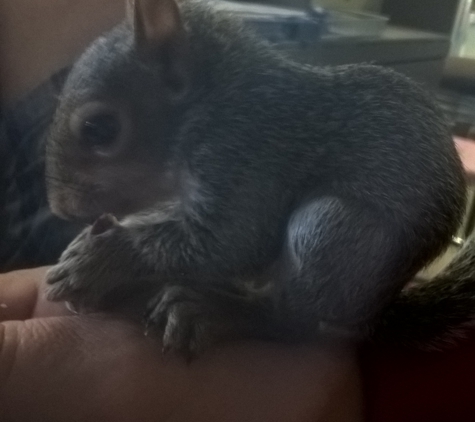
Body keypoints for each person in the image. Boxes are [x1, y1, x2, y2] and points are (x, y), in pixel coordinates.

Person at [1, 1, 475, 421]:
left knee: (317, 230)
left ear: (172, 68)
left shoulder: (229, 132)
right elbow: (229, 227)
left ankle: (272, 315)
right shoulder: (218, 130)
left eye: (101, 131)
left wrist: (126, 252)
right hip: (348, 258)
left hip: (359, 223)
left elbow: (226, 242)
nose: (65, 205)